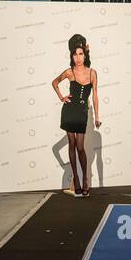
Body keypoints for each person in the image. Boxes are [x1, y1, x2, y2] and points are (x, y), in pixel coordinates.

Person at [52, 43, 100, 197]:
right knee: (71, 144)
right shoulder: (69, 72)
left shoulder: (92, 73)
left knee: (80, 147)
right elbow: (54, 82)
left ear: (85, 55)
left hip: (81, 113)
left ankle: (85, 178)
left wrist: (97, 116)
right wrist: (61, 97)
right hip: (69, 111)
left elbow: (95, 96)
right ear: (72, 57)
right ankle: (77, 179)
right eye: (75, 54)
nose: (78, 57)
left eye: (81, 54)